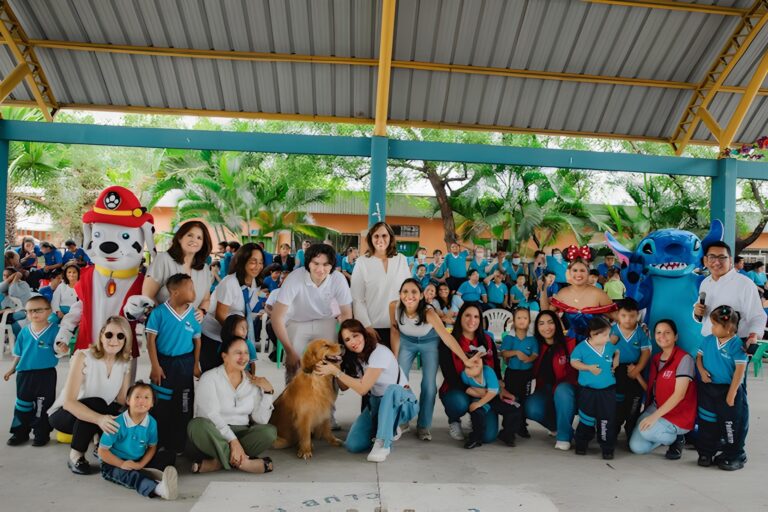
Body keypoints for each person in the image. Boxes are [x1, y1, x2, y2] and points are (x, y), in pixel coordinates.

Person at [315, 319, 417, 463]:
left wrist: (335, 372)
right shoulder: (357, 358)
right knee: (353, 445)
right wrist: (336, 365)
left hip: (402, 402)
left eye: (355, 335)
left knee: (391, 390)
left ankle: (383, 443)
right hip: (377, 404)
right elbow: (344, 386)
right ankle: (386, 428)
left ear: (363, 334)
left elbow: (363, 389)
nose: (353, 342)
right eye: (347, 340)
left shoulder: (379, 352)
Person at [390, 279, 475, 441]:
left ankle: (423, 425)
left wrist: (465, 359)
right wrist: (394, 358)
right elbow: (394, 331)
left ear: (421, 295)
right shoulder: (394, 306)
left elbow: (446, 337)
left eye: (414, 292)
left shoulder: (429, 312)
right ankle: (403, 419)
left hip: (429, 342)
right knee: (399, 381)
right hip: (407, 342)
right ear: (400, 294)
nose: (409, 296)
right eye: (405, 292)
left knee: (429, 385)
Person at [47, 316, 132, 475]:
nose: (114, 340)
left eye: (120, 336)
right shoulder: (83, 356)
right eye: (109, 335)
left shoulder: (125, 361)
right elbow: (69, 402)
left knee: (115, 407)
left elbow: (121, 400)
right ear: (101, 335)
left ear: (126, 339)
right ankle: (76, 455)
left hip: (98, 414)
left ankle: (100, 443)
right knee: (97, 402)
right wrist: (99, 419)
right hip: (65, 415)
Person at [187, 336, 276, 474]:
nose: (243, 357)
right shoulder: (210, 378)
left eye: (246, 352)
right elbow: (211, 415)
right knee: (196, 425)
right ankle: (244, 463)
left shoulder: (252, 382)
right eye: (238, 353)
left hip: (241, 433)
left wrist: (268, 392)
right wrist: (232, 441)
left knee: (269, 432)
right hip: (213, 434)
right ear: (225, 356)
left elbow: (261, 419)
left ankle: (218, 462)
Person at [271, 243, 353, 381]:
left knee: (331, 363)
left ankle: (328, 394)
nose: (320, 269)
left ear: (332, 265)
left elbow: (346, 314)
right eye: (316, 263)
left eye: (326, 264)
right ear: (308, 263)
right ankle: (292, 392)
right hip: (297, 321)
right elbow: (277, 316)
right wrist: (289, 351)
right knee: (294, 366)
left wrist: (345, 341)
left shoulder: (338, 279)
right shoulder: (294, 278)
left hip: (326, 321)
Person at [145, 273, 202, 454]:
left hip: (185, 363)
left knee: (184, 404)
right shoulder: (159, 313)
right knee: (161, 404)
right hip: (164, 364)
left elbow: (197, 341)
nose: (194, 291)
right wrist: (155, 366)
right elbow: (150, 341)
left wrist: (195, 365)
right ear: (175, 292)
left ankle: (179, 444)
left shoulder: (193, 314)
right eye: (190, 288)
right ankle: (159, 442)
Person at [97, 381, 178, 500]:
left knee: (169, 455)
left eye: (146, 397)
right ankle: (158, 488)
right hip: (114, 463)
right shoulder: (116, 423)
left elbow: (152, 447)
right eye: (137, 397)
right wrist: (122, 464)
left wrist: (140, 464)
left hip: (138, 459)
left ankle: (144, 471)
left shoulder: (151, 423)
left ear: (152, 403)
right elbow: (102, 451)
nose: (141, 401)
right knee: (131, 476)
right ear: (128, 400)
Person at [629, 319, 696, 460]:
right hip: (657, 407)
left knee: (646, 431)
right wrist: (637, 375)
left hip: (678, 413)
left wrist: (653, 417)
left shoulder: (684, 358)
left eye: (667, 332)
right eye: (658, 333)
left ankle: (677, 438)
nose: (662, 336)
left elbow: (679, 395)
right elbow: (651, 389)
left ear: (675, 337)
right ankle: (662, 435)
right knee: (637, 447)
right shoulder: (656, 358)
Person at [439, 302, 502, 443]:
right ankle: (454, 420)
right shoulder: (449, 341)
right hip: (457, 389)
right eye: (467, 315)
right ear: (460, 317)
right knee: (459, 403)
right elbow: (449, 375)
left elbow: (496, 368)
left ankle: (475, 417)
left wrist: (496, 388)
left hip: (483, 392)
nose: (472, 320)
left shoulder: (487, 340)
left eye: (476, 317)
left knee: (488, 437)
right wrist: (471, 391)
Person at [695, 305, 748, 470]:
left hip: (727, 390)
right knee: (707, 421)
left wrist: (732, 394)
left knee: (730, 425)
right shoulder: (708, 340)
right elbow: (699, 357)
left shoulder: (737, 345)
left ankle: (734, 455)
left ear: (728, 328)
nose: (712, 328)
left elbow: (740, 371)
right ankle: (706, 452)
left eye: (715, 325)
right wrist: (701, 371)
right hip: (708, 388)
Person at [200, 243, 265, 373]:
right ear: (242, 261)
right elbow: (220, 314)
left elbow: (245, 310)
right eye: (253, 262)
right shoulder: (230, 282)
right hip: (214, 337)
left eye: (261, 262)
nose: (257, 266)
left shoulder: (254, 283)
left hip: (235, 336)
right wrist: (237, 337)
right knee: (216, 376)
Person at [3, 295, 58, 447]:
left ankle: (41, 433)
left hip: (46, 375)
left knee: (43, 406)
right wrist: (12, 369)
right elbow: (19, 354)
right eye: (30, 311)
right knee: (22, 404)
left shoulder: (55, 330)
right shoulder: (24, 332)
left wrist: (63, 348)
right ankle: (20, 432)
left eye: (38, 310)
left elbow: (60, 350)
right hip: (24, 374)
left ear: (49, 311)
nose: (34, 314)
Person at [350, 222, 411, 348]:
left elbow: (408, 292)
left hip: (399, 326)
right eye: (376, 236)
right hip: (373, 328)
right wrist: (367, 326)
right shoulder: (362, 262)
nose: (380, 239)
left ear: (390, 237)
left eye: (384, 235)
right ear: (370, 239)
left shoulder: (401, 259)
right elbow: (357, 299)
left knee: (396, 361)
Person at [524, 310, 578, 450]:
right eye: (541, 324)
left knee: (562, 390)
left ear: (557, 324)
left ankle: (564, 437)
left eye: (550, 322)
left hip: (568, 389)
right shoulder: (535, 346)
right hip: (546, 389)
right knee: (531, 407)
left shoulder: (570, 343)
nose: (546, 327)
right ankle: (557, 427)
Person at [142, 220, 212, 322]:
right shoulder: (163, 260)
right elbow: (148, 295)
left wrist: (202, 311)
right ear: (179, 238)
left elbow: (206, 300)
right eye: (190, 235)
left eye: (199, 238)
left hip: (189, 328)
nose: (194, 240)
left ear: (203, 243)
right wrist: (165, 318)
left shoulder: (204, 269)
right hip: (162, 325)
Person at [570, 315, 620, 459]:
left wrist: (616, 360)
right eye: (605, 335)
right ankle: (581, 443)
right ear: (593, 334)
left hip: (607, 391)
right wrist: (589, 368)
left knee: (606, 420)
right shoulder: (581, 348)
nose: (608, 338)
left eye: (608, 334)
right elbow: (574, 362)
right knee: (586, 418)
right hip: (588, 391)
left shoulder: (608, 346)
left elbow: (617, 350)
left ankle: (607, 448)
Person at [540, 255, 617, 342]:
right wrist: (543, 288)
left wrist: (612, 336)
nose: (578, 274)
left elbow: (617, 318)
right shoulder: (563, 293)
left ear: (588, 273)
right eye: (575, 270)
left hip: (597, 341)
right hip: (572, 340)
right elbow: (546, 312)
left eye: (582, 270)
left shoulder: (599, 294)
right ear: (569, 273)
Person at [460, 352, 521, 449]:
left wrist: (479, 403)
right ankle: (475, 438)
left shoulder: (488, 371)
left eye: (477, 362)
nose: (475, 364)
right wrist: (476, 399)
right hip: (478, 397)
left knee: (515, 409)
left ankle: (507, 434)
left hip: (493, 398)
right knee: (477, 412)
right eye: (469, 365)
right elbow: (464, 388)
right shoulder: (464, 375)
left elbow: (493, 392)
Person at [610, 298, 651, 439]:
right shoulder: (612, 331)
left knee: (634, 401)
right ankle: (614, 427)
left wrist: (637, 369)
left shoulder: (640, 333)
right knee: (616, 401)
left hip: (634, 369)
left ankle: (630, 428)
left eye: (632, 316)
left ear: (637, 315)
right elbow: (604, 351)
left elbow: (646, 353)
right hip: (616, 371)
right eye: (623, 315)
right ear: (617, 315)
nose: (628, 319)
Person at [501, 308, 538, 438]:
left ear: (529, 321)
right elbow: (504, 353)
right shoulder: (509, 337)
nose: (522, 321)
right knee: (510, 399)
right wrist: (516, 352)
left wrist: (529, 359)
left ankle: (522, 426)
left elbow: (535, 354)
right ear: (514, 320)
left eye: (525, 318)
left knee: (524, 400)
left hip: (526, 374)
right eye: (519, 318)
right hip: (512, 374)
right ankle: (508, 429)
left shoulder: (532, 339)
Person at [0, 267, 34, 335]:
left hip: (23, 312)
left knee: (10, 321)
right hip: (9, 313)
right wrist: (10, 278)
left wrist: (15, 279)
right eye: (4, 275)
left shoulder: (23, 284)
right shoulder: (5, 286)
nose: (5, 277)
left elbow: (13, 293)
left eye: (9, 275)